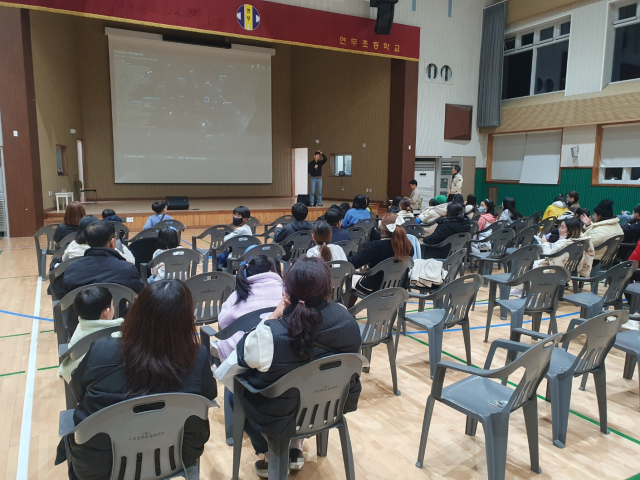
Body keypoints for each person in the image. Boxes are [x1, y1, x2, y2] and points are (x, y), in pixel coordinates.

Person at [57, 280, 216, 480]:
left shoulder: (101, 350)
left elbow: (78, 392)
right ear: (186, 319)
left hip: (101, 464)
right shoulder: (198, 357)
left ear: (136, 313)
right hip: (176, 455)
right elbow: (208, 397)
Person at [218, 257, 361, 477]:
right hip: (330, 406)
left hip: (280, 416)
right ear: (327, 287)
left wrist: (272, 318)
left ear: (287, 290)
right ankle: (296, 447)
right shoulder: (347, 319)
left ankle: (269, 452)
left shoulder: (271, 334)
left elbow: (240, 357)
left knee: (233, 394)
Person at [57, 221, 145, 333]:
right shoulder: (127, 269)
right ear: (112, 242)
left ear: (87, 242)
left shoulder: (72, 268)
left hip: (80, 331)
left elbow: (66, 299)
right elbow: (140, 298)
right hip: (118, 328)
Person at [217, 256, 283, 362]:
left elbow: (222, 323)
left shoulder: (236, 296)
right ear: (271, 271)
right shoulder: (285, 291)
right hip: (279, 348)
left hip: (242, 354)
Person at [57, 286, 124, 383]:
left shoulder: (81, 326)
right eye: (112, 305)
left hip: (81, 381)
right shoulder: (116, 335)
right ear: (106, 312)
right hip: (106, 378)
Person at [349, 213, 413, 296]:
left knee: (351, 279)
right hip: (399, 287)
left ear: (382, 228)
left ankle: (348, 308)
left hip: (374, 288)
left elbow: (354, 263)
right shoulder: (408, 246)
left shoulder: (376, 246)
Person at [61, 216, 135, 266]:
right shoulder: (108, 248)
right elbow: (131, 262)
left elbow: (64, 261)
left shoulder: (72, 245)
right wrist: (121, 245)